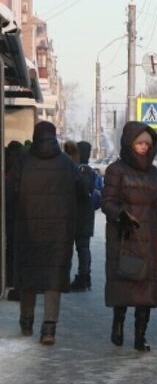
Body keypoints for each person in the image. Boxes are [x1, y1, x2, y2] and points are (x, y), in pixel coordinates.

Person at [102, 122, 157, 351]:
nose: (143, 147)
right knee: (124, 283)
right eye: (140, 143)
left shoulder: (152, 172)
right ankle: (118, 324)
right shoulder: (116, 170)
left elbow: (154, 203)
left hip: (148, 237)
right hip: (125, 235)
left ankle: (140, 337)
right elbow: (108, 203)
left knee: (146, 289)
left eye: (147, 144)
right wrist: (122, 217)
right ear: (129, 144)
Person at [11, 121, 80, 345]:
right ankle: (49, 329)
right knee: (53, 279)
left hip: (28, 229)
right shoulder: (67, 164)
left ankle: (26, 322)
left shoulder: (23, 162)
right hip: (59, 232)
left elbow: (11, 192)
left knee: (29, 276)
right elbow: (80, 193)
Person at [68, 141, 100, 291]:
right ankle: (85, 277)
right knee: (83, 248)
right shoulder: (90, 171)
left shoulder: (81, 171)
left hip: (79, 215)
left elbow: (82, 191)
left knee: (81, 248)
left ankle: (83, 278)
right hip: (86, 215)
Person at [4, 140, 23, 301]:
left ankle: (12, 280)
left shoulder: (13, 170)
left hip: (12, 218)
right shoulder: (26, 166)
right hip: (25, 219)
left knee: (12, 252)